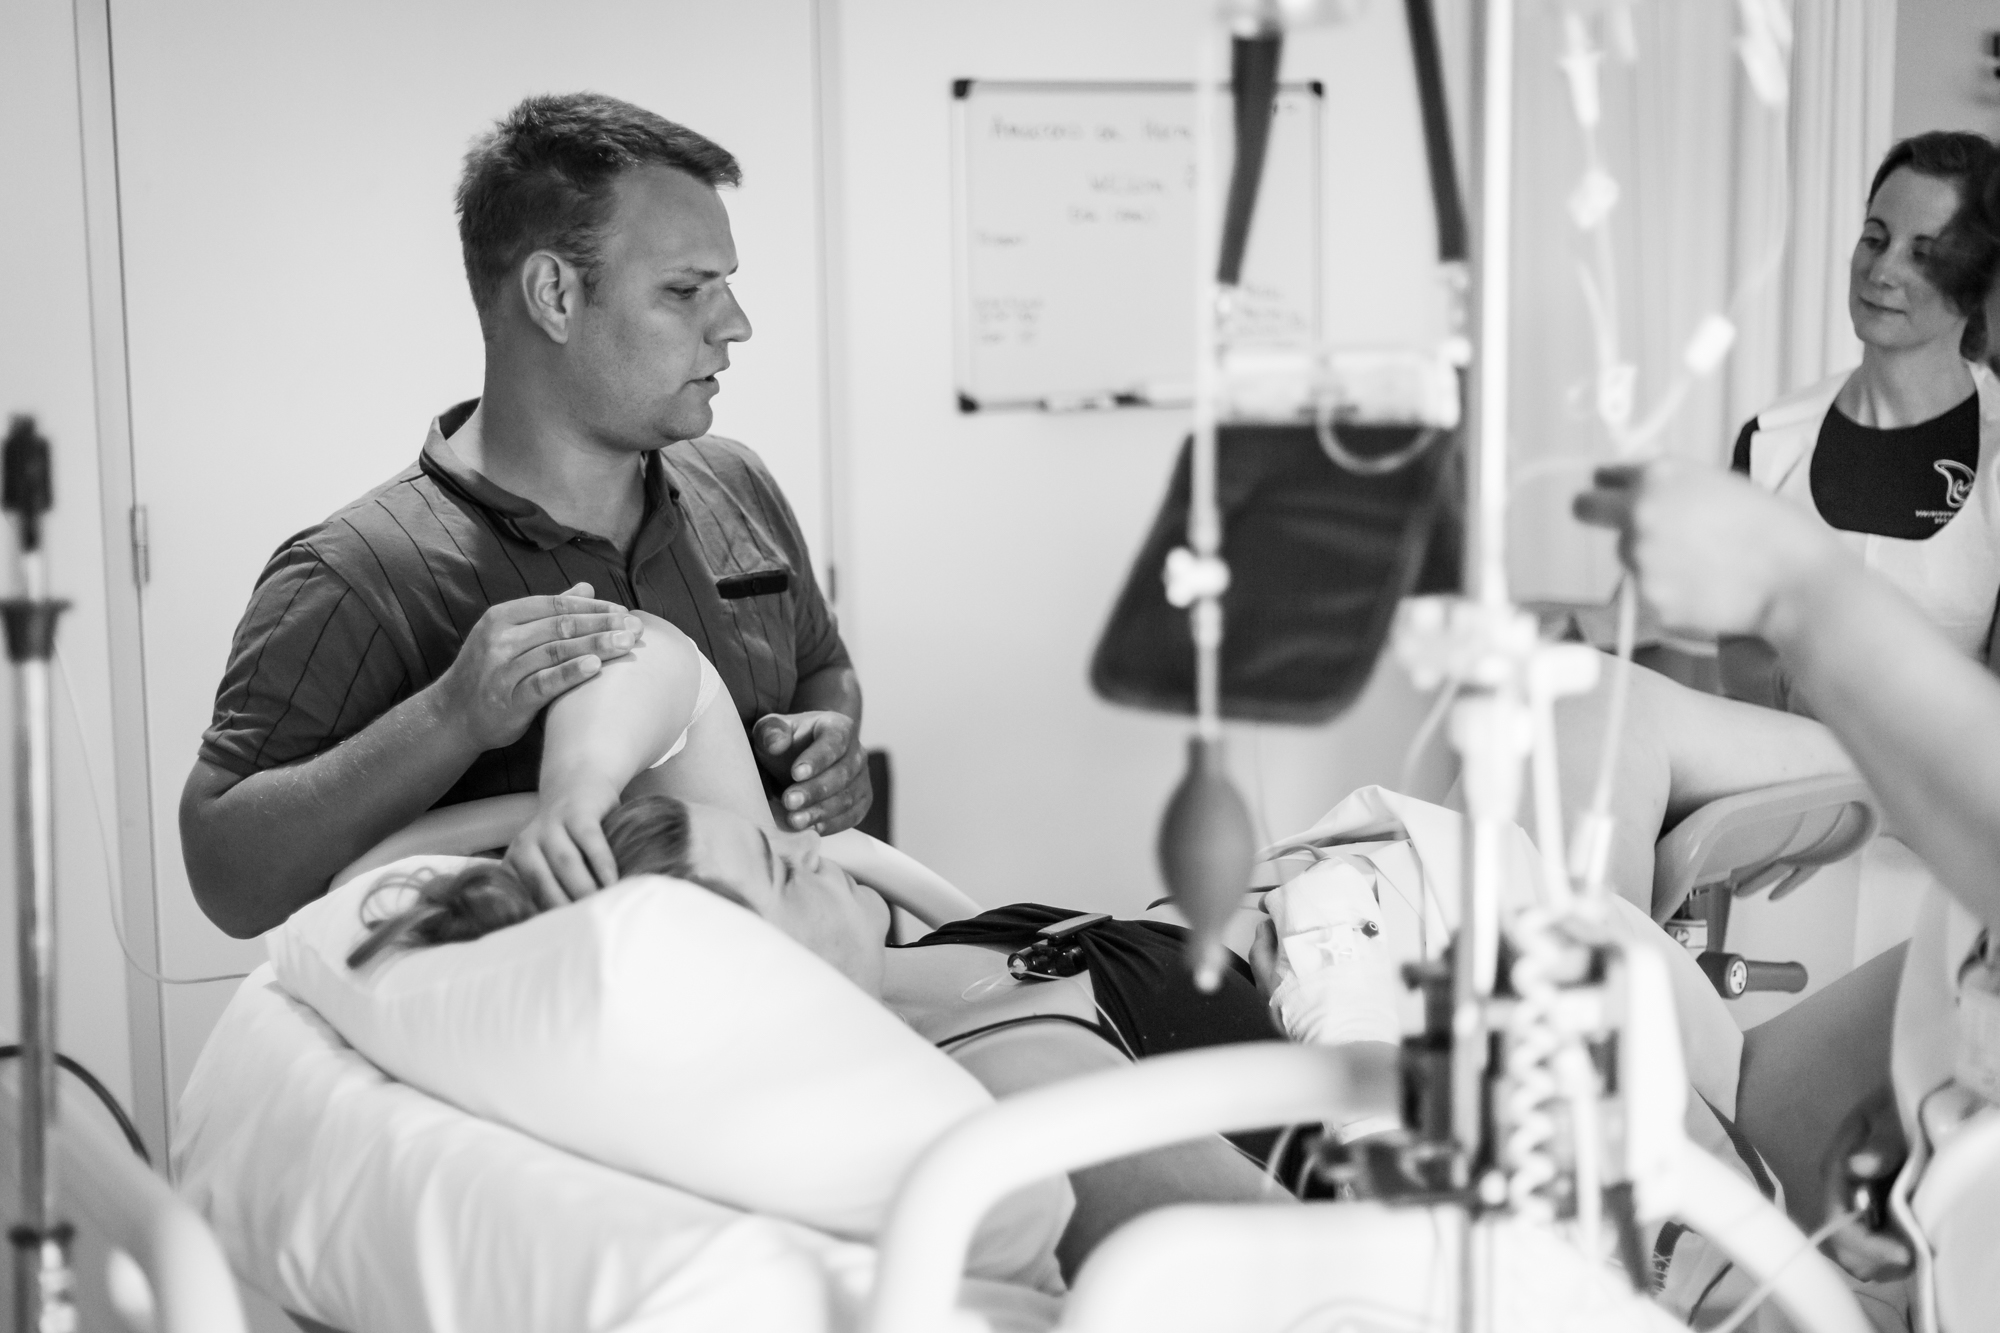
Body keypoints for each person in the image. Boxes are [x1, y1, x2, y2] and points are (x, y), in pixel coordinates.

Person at [182, 92, 869, 940]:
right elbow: (226, 878)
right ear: (554, 294)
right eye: (687, 290)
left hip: (802, 985)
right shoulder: (358, 573)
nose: (737, 325)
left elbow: (824, 668)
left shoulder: (737, 485)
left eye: (727, 286)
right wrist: (451, 717)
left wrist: (829, 743)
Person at [1723, 131, 2000, 712]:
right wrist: (1800, 690)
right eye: (1875, 239)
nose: (1881, 271)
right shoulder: (1771, 440)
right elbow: (1737, 650)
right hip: (1782, 760)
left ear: (1978, 283)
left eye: (1924, 254)